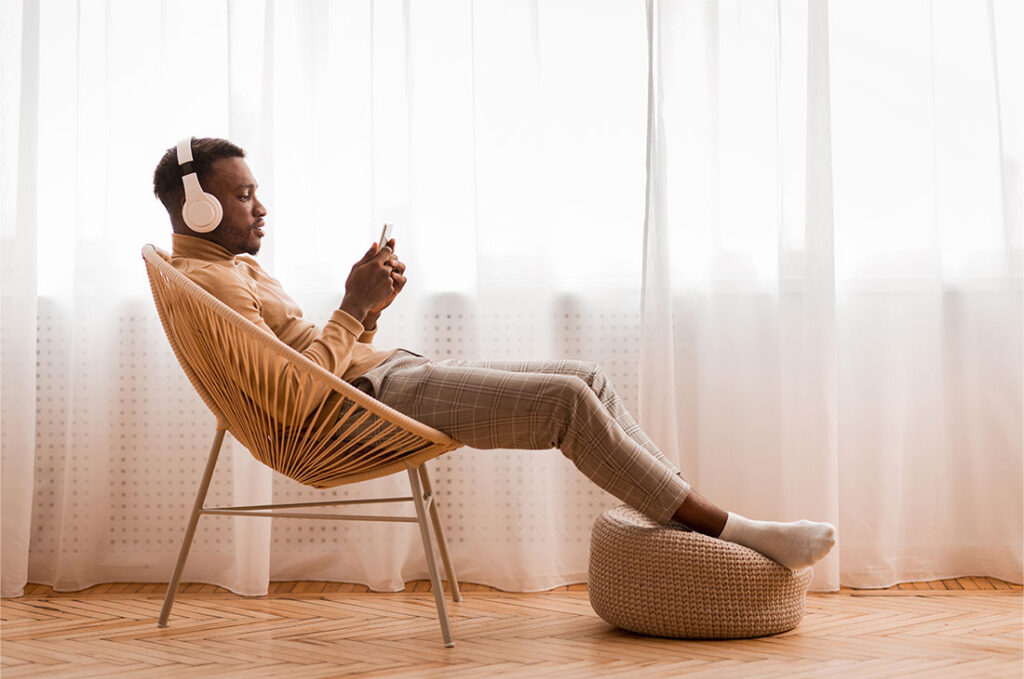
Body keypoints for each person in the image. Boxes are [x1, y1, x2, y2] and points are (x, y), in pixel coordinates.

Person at [152, 137, 836, 571]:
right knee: (567, 404)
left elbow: (307, 357)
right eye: (244, 196)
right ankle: (735, 531)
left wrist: (367, 312)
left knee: (586, 376)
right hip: (366, 406)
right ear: (198, 207)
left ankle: (683, 518)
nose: (261, 207)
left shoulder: (226, 267)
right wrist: (352, 307)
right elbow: (296, 395)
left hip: (382, 378)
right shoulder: (211, 281)